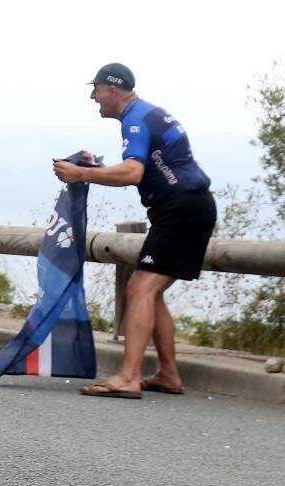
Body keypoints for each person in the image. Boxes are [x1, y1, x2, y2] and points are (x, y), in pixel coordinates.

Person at [54, 63, 215, 399]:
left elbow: (132, 172)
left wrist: (81, 175)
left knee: (140, 288)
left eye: (95, 89)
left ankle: (129, 376)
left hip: (180, 208)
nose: (93, 97)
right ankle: (169, 373)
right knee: (151, 290)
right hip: (190, 205)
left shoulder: (135, 119)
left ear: (112, 89)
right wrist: (96, 170)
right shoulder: (148, 113)